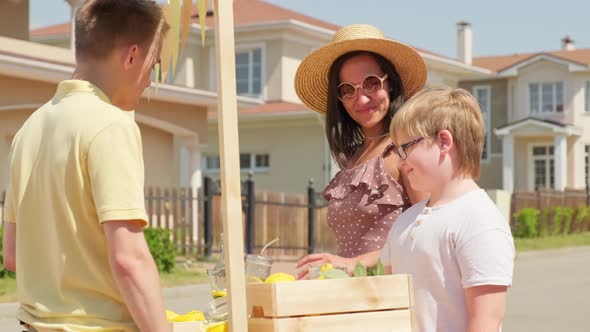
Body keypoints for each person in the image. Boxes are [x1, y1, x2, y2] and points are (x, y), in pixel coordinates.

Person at [2, 1, 171, 331]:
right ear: (132, 56)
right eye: (156, 66)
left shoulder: (30, 129)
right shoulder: (112, 126)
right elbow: (128, 259)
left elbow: (13, 255)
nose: (151, 80)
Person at [293, 24, 429, 278]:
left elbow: (427, 232)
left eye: (371, 83)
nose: (362, 99)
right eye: (347, 90)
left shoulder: (404, 151)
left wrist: (354, 262)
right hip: (354, 299)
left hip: (392, 300)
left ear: (391, 85)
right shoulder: (353, 157)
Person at [381, 87, 515, 332]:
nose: (401, 160)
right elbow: (388, 300)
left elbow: (485, 320)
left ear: (444, 141)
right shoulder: (406, 220)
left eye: (406, 147)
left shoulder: (479, 221)